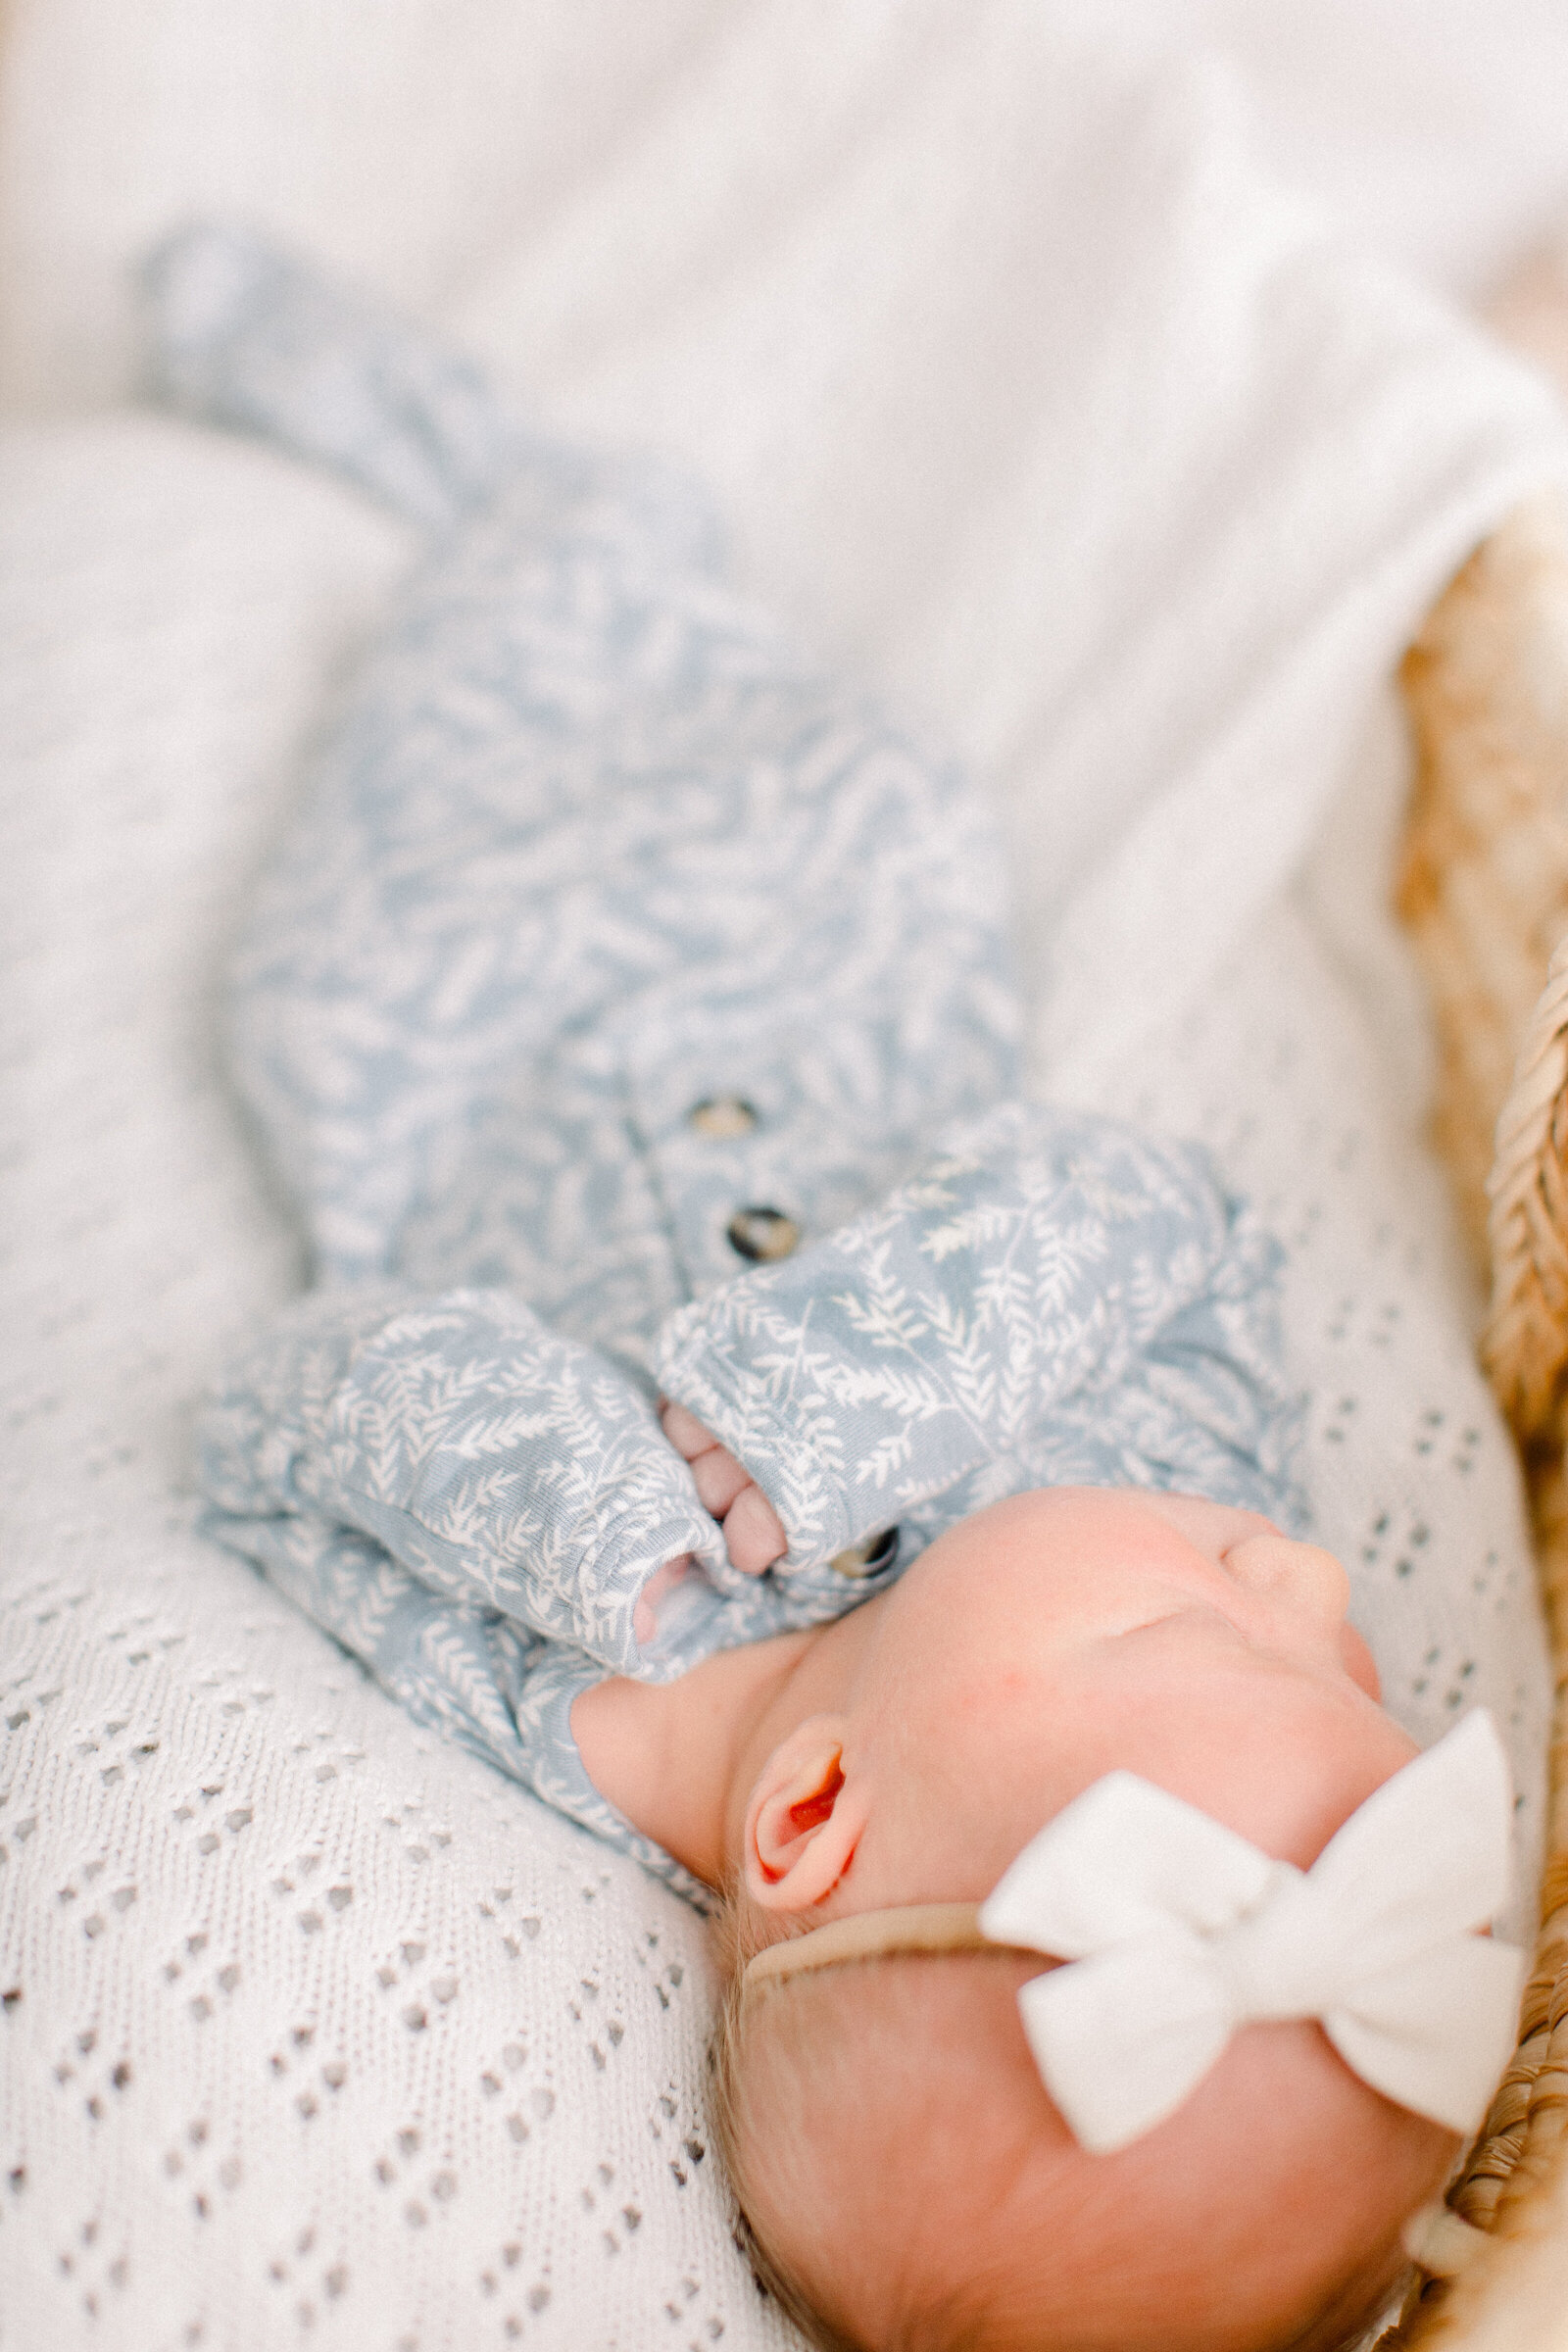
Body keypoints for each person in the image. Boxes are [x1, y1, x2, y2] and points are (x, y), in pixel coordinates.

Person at [151, 225, 1520, 2352]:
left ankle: (407, 428)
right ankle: (561, 485)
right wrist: (849, 1397)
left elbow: (265, 1422)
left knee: (524, 597)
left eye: (1206, 1624)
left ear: (804, 1815)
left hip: (437, 1013)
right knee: (752, 659)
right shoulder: (1155, 1479)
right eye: (1331, 1650)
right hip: (834, 922)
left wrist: (575, 1520)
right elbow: (1154, 1208)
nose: (1314, 1588)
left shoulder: (596, 1706)